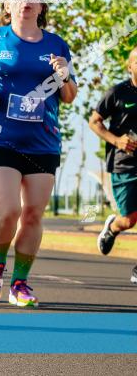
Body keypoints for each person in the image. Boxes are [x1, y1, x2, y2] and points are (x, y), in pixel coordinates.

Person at [0, 1, 77, 308]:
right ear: (7, 4)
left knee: (33, 214)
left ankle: (20, 283)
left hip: (42, 140)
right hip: (0, 136)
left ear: (41, 6)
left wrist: (64, 75)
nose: (25, 0)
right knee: (9, 208)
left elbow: (68, 96)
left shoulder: (56, 44)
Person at [90, 46, 137, 284]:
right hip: (124, 165)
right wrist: (117, 140)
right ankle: (113, 227)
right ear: (130, 67)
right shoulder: (117, 92)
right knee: (129, 219)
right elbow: (95, 122)